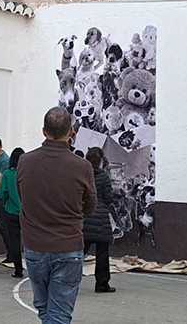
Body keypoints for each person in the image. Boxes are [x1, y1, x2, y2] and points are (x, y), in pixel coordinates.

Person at [16, 107, 97, 324]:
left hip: (35, 246)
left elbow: (22, 197)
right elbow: (90, 206)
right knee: (58, 314)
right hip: (68, 245)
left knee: (44, 309)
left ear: (44, 131)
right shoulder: (82, 167)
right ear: (71, 132)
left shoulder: (25, 161)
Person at [83, 147, 116, 293]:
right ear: (100, 160)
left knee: (78, 254)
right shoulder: (103, 176)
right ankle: (102, 284)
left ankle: (68, 282)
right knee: (102, 254)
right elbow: (108, 199)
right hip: (101, 219)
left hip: (84, 219)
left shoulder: (82, 175)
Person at [0, 147, 25, 278]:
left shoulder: (8, 174)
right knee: (30, 241)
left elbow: (2, 192)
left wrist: (6, 202)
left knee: (15, 242)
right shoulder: (27, 173)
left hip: (11, 211)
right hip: (26, 213)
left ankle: (18, 270)